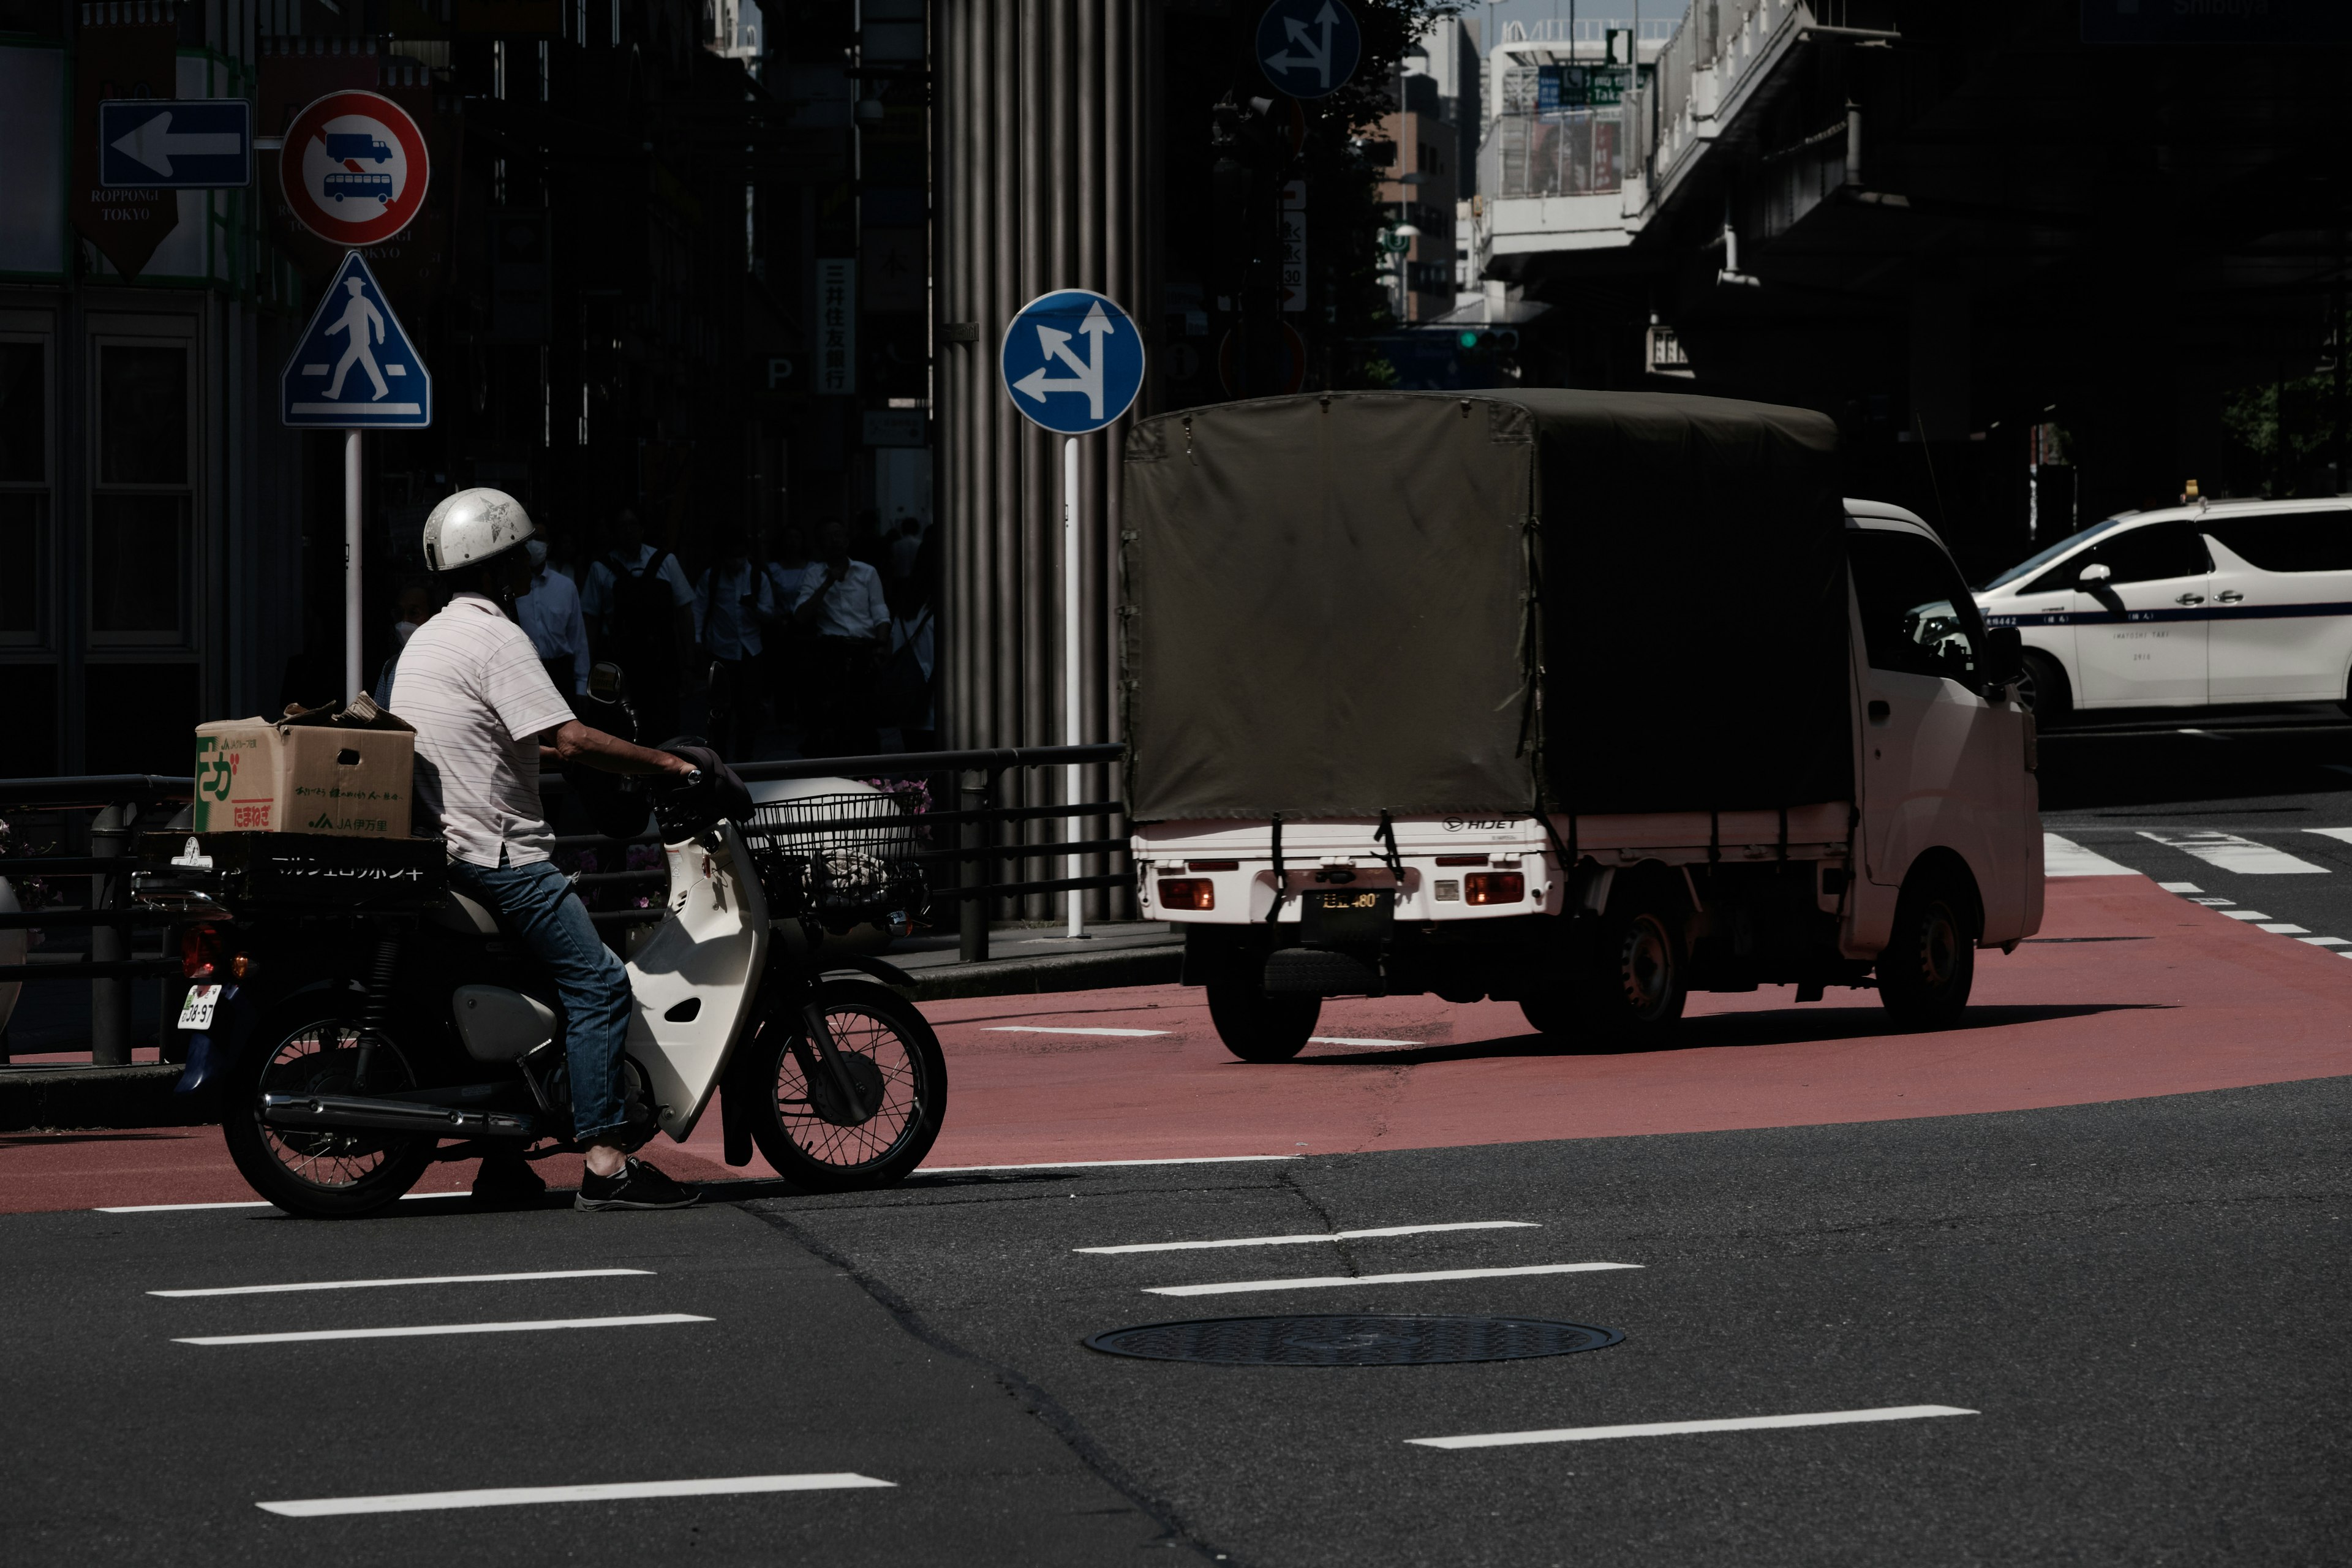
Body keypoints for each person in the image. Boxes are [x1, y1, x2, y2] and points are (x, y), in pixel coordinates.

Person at [392, 487, 704, 1212]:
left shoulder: (427, 638)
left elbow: (494, 738)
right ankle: (603, 1159)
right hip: (500, 853)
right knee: (597, 983)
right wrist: (668, 764)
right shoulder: (499, 637)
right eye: (519, 556)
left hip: (448, 848)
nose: (529, 567)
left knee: (529, 1003)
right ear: (499, 566)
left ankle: (504, 1159)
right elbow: (566, 736)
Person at [582, 509, 696, 744]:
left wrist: (689, 665)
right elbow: (591, 623)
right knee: (623, 729)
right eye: (622, 526)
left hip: (662, 662)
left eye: (633, 524)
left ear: (643, 529)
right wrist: (587, 670)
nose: (628, 531)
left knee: (665, 728)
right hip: (621, 664)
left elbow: (685, 614)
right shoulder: (601, 568)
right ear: (614, 532)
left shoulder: (666, 562)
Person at [791, 518, 892, 755]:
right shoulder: (814, 575)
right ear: (820, 544)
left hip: (864, 650)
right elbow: (800, 616)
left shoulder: (867, 573)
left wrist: (880, 648)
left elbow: (880, 613)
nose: (835, 541)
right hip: (831, 652)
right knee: (829, 718)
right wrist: (828, 583)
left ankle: (869, 774)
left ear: (847, 541)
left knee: (864, 718)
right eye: (829, 536)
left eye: (840, 535)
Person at [694, 527, 774, 759]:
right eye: (732, 556)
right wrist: (697, 641)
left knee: (748, 714)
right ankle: (719, 765)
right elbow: (698, 609)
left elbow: (771, 615)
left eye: (741, 556)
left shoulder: (759, 577)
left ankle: (744, 766)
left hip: (751, 653)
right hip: (721, 652)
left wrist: (754, 607)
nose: (736, 562)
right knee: (720, 715)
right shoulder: (712, 576)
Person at [515, 537, 591, 701]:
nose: (534, 544)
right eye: (530, 540)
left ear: (548, 545)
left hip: (561, 672)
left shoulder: (565, 587)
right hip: (525, 674)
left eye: (540, 538)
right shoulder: (513, 588)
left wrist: (582, 686)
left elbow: (578, 639)